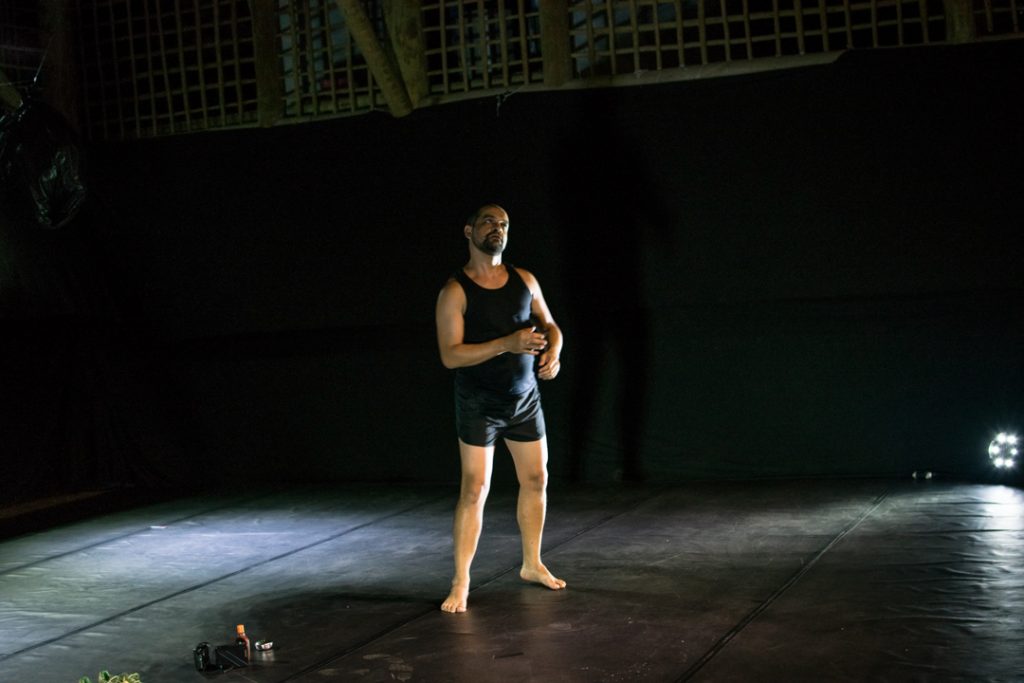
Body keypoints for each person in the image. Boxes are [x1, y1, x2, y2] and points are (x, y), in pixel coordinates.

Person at [435, 203, 566, 613]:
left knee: (537, 479)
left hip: (524, 398)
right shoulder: (455, 291)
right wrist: (507, 344)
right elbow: (450, 356)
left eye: (504, 223)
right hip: (480, 403)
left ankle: (531, 564)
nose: (498, 228)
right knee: (475, 489)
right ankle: (461, 581)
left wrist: (555, 352)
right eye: (489, 222)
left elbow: (551, 326)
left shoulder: (524, 279)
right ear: (469, 230)